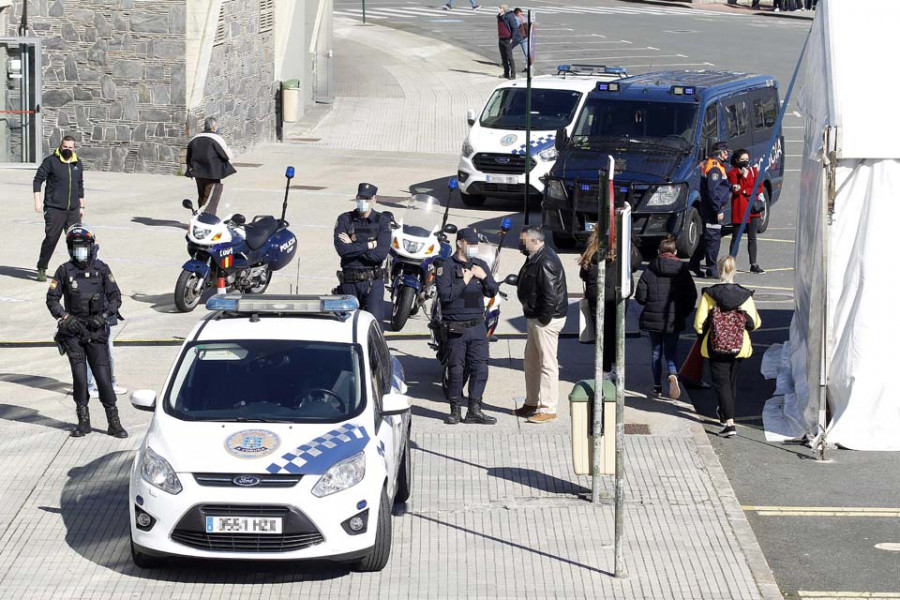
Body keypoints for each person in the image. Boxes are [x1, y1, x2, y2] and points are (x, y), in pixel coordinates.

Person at [46, 224, 128, 439]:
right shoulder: (64, 271)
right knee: (80, 378)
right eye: (75, 247)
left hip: (97, 330)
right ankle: (83, 422)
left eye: (83, 246)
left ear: (91, 247)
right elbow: (52, 299)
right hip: (74, 332)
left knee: (103, 377)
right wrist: (65, 317)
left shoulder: (102, 269)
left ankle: (114, 422)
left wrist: (105, 315)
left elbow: (115, 296)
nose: (79, 250)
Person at [435, 228, 499, 425]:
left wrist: (484, 277)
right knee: (455, 369)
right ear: (460, 243)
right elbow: (445, 296)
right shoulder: (444, 267)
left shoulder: (479, 265)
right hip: (456, 327)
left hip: (477, 326)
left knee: (481, 368)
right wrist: (465, 280)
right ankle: (455, 410)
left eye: (475, 245)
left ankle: (474, 409)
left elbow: (492, 291)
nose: (473, 248)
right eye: (470, 244)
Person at [693, 255, 761, 438]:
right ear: (735, 271)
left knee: (721, 383)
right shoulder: (744, 295)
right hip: (739, 346)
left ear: (719, 269)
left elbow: (699, 324)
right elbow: (755, 323)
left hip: (716, 346)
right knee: (730, 382)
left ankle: (729, 423)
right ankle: (725, 415)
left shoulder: (710, 294)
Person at [514, 226, 567, 423]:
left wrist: (543, 319)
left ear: (535, 241)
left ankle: (548, 408)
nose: (521, 244)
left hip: (545, 320)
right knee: (531, 361)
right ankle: (531, 403)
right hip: (535, 317)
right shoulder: (536, 256)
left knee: (547, 364)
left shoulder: (545, 261)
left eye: (524, 240)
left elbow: (550, 296)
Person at [635, 236, 697, 400]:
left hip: (653, 318)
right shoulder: (682, 270)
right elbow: (691, 295)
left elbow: (640, 296)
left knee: (656, 351)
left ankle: (657, 387)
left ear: (658, 252)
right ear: (675, 252)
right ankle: (673, 374)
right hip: (674, 318)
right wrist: (683, 312)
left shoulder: (650, 269)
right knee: (671, 351)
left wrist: (649, 305)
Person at [333, 183, 391, 323]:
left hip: (372, 282)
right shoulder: (345, 219)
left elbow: (379, 255)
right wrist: (369, 245)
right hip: (349, 281)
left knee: (373, 324)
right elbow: (342, 250)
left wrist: (352, 246)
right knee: (346, 323)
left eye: (366, 199)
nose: (362, 202)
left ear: (374, 200)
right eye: (360, 198)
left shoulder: (382, 221)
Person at [33, 135, 84, 283]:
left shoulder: (77, 163)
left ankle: (78, 269)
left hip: (73, 209)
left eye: (70, 147)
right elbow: (37, 180)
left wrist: (82, 206)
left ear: (74, 148)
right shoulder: (51, 161)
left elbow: (79, 185)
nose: (67, 149)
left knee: (77, 240)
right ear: (60, 146)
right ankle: (42, 267)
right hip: (54, 208)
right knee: (51, 239)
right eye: (65, 147)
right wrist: (37, 203)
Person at [85, 243, 127, 399]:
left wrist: (110, 311)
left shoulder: (102, 268)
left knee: (109, 353)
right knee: (90, 354)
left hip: (103, 318)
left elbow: (114, 293)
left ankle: (110, 383)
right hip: (87, 320)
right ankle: (88, 386)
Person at [689, 141, 731, 280]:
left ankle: (694, 263)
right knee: (713, 239)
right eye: (726, 152)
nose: (728, 154)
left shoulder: (712, 164)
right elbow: (713, 191)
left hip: (708, 207)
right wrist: (718, 209)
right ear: (720, 153)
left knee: (705, 238)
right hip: (712, 209)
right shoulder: (714, 168)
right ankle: (711, 269)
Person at [185, 116, 236, 209]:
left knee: (202, 195)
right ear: (213, 127)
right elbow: (227, 155)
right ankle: (206, 217)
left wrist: (190, 170)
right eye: (217, 126)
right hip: (213, 172)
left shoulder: (195, 139)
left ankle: (200, 215)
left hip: (198, 173)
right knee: (211, 196)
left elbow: (188, 156)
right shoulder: (216, 138)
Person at [728, 148, 765, 274]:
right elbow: (736, 190)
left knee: (752, 237)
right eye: (742, 159)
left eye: (747, 159)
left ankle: (753, 264)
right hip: (740, 209)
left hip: (753, 208)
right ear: (737, 160)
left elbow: (759, 187)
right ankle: (731, 263)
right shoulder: (733, 173)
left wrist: (745, 190)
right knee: (736, 238)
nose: (745, 162)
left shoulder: (754, 171)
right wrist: (743, 178)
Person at [497, 5, 521, 80]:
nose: (499, 9)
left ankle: (513, 75)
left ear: (504, 9)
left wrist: (512, 38)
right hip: (501, 38)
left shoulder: (509, 16)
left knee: (509, 57)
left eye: (500, 8)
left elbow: (515, 28)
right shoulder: (499, 16)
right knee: (503, 57)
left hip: (508, 39)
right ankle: (506, 73)